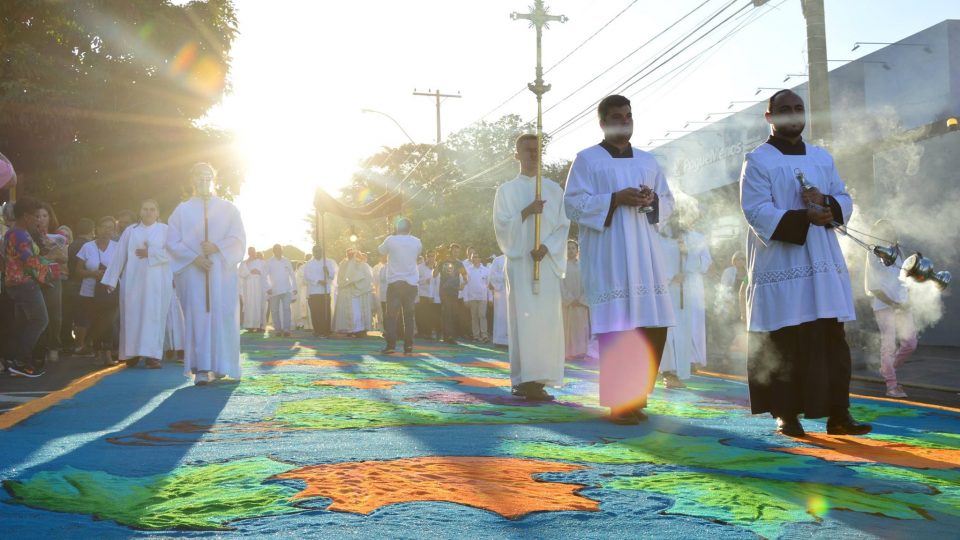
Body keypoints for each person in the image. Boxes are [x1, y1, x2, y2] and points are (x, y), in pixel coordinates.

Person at [740, 89, 870, 437]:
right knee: (785, 341)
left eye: (799, 109)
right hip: (781, 262)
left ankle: (839, 416)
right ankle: (786, 415)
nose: (793, 115)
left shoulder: (821, 157)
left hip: (823, 263)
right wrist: (803, 217)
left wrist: (827, 204)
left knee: (831, 340)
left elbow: (843, 197)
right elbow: (756, 210)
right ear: (769, 117)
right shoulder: (757, 160)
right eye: (784, 110)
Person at [563, 95, 675, 424]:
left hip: (645, 254)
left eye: (628, 115)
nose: (623, 120)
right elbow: (573, 205)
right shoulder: (587, 160)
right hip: (609, 255)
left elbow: (668, 201)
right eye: (616, 117)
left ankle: (636, 395)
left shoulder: (648, 160)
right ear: (602, 122)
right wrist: (615, 198)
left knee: (650, 328)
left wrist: (651, 200)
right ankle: (618, 402)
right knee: (619, 328)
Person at [495, 134, 571, 401]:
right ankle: (522, 380)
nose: (532, 154)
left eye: (537, 150)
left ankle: (541, 379)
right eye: (526, 150)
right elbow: (502, 226)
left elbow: (564, 225)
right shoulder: (505, 190)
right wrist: (527, 211)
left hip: (546, 263)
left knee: (546, 322)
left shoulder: (553, 189)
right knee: (522, 321)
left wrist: (547, 246)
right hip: (520, 263)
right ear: (516, 154)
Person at [166, 162, 246, 385]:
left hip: (221, 273)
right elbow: (172, 241)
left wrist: (217, 247)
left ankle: (222, 364)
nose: (203, 179)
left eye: (208, 175)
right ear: (192, 180)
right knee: (198, 315)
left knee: (222, 314)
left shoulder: (229, 208)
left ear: (214, 179)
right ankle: (201, 368)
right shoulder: (182, 210)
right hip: (193, 273)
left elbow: (238, 238)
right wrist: (195, 258)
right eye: (199, 175)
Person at [101, 199, 172, 369]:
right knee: (132, 315)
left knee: (153, 316)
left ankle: (152, 356)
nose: (148, 212)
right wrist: (111, 280)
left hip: (157, 282)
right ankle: (131, 354)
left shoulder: (165, 230)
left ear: (157, 213)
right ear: (140, 211)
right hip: (133, 280)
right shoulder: (130, 231)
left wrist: (151, 253)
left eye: (152, 209)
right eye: (145, 209)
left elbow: (174, 252)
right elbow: (119, 255)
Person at [864, 219, 917, 399]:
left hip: (902, 304)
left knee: (910, 343)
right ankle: (891, 385)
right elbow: (873, 286)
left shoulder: (899, 251)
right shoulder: (874, 252)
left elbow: (903, 278)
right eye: (885, 230)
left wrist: (907, 298)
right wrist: (893, 303)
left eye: (891, 229)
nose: (890, 233)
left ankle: (887, 369)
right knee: (888, 345)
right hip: (884, 305)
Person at [2, 197, 52, 377]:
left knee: (25, 323)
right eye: (34, 216)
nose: (37, 220)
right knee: (40, 320)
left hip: (14, 283)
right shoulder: (21, 234)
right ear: (25, 216)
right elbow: (29, 261)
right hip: (25, 284)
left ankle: (18, 361)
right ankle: (21, 361)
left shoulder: (12, 233)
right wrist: (48, 262)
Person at [659, 220, 712, 388]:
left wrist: (687, 257)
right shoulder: (659, 236)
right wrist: (669, 276)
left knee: (683, 330)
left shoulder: (694, 238)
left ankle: (680, 370)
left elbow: (703, 263)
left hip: (686, 289)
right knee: (667, 331)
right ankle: (668, 372)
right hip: (666, 288)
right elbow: (654, 261)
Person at [76, 216, 119, 365]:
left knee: (108, 322)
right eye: (103, 226)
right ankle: (96, 352)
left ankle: (107, 354)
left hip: (109, 290)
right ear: (97, 229)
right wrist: (93, 274)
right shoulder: (87, 247)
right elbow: (78, 271)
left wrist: (109, 275)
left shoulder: (117, 247)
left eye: (110, 227)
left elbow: (123, 269)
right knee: (94, 322)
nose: (106, 230)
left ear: (114, 231)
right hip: (89, 291)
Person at [377, 217, 422, 353]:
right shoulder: (417, 242)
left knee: (391, 315)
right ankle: (408, 347)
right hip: (411, 283)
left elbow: (381, 251)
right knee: (409, 316)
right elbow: (417, 253)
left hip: (395, 283)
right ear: (410, 229)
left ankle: (391, 346)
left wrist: (390, 235)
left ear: (397, 228)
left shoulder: (391, 240)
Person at [35, 202, 67, 365]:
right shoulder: (29, 234)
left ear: (50, 217)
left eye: (44, 216)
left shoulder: (59, 234)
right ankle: (39, 348)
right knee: (39, 314)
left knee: (55, 314)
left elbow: (64, 258)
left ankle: (54, 346)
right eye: (38, 216)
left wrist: (50, 255)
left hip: (53, 277)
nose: (41, 219)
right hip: (34, 277)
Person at [64, 218, 94, 353]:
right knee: (83, 316)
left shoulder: (72, 245)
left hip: (69, 283)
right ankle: (80, 346)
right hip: (82, 284)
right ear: (92, 230)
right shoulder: (89, 246)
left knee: (71, 316)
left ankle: (71, 344)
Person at [333, 248, 374, 337]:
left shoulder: (362, 264)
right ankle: (349, 329)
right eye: (349, 255)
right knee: (351, 311)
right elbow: (341, 278)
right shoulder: (343, 264)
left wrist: (357, 283)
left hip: (358, 293)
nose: (351, 257)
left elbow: (367, 278)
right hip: (347, 292)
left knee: (357, 311)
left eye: (352, 255)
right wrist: (350, 281)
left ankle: (359, 329)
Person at [561, 240, 590, 360]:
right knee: (568, 328)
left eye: (573, 248)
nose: (571, 251)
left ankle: (581, 351)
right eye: (568, 248)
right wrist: (569, 299)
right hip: (569, 304)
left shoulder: (583, 266)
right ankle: (568, 352)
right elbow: (560, 284)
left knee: (580, 328)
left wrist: (582, 299)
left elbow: (588, 284)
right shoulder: (562, 266)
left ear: (577, 250)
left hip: (581, 304)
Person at [434, 243, 469, 344]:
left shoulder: (459, 263)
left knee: (453, 313)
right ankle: (447, 336)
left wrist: (463, 284)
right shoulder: (442, 261)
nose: (456, 253)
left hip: (454, 291)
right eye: (454, 251)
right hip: (444, 290)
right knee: (447, 312)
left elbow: (465, 277)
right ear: (450, 250)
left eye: (458, 252)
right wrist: (437, 262)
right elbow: (434, 274)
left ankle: (450, 336)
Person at [303, 245, 337, 338]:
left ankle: (326, 330)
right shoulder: (308, 264)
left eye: (320, 251)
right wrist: (318, 281)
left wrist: (327, 272)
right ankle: (317, 330)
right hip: (314, 291)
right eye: (316, 251)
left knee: (325, 312)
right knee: (315, 312)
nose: (318, 253)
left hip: (325, 291)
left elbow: (332, 276)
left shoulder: (328, 262)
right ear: (313, 252)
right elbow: (306, 277)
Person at [264, 244, 295, 337]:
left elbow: (292, 274)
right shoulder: (269, 262)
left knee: (286, 309)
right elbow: (264, 276)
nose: (279, 251)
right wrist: (268, 288)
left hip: (286, 289)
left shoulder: (286, 260)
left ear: (282, 250)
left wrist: (295, 288)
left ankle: (286, 330)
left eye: (280, 250)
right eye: (277, 250)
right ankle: (277, 330)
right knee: (274, 310)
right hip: (274, 290)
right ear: (273, 251)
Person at [238, 247, 267, 332]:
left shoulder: (261, 262)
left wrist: (259, 272)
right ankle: (250, 325)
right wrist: (250, 272)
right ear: (248, 252)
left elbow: (265, 272)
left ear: (255, 252)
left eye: (253, 251)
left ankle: (259, 325)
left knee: (258, 304)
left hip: (258, 285)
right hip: (248, 286)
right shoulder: (244, 263)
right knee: (249, 304)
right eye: (250, 252)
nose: (252, 253)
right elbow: (240, 273)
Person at [463, 252, 490, 342]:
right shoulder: (467, 270)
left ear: (480, 259)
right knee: (474, 316)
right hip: (472, 297)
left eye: (477, 257)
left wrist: (490, 298)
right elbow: (465, 285)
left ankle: (484, 335)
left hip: (483, 297)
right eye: (473, 257)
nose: (475, 259)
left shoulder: (486, 270)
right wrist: (465, 298)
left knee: (482, 315)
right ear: (471, 259)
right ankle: (476, 335)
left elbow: (488, 285)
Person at [488, 253, 508, 347]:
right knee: (500, 315)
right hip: (501, 292)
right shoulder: (497, 260)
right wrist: (505, 277)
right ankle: (500, 339)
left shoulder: (516, 259)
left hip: (514, 292)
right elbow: (492, 276)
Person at [415, 251, 436, 339]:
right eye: (429, 256)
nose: (431, 258)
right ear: (426, 257)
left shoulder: (437, 267)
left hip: (434, 295)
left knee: (431, 315)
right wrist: (425, 281)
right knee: (421, 314)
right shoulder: (420, 267)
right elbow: (415, 280)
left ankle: (429, 332)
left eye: (433, 256)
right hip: (423, 294)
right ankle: (421, 332)